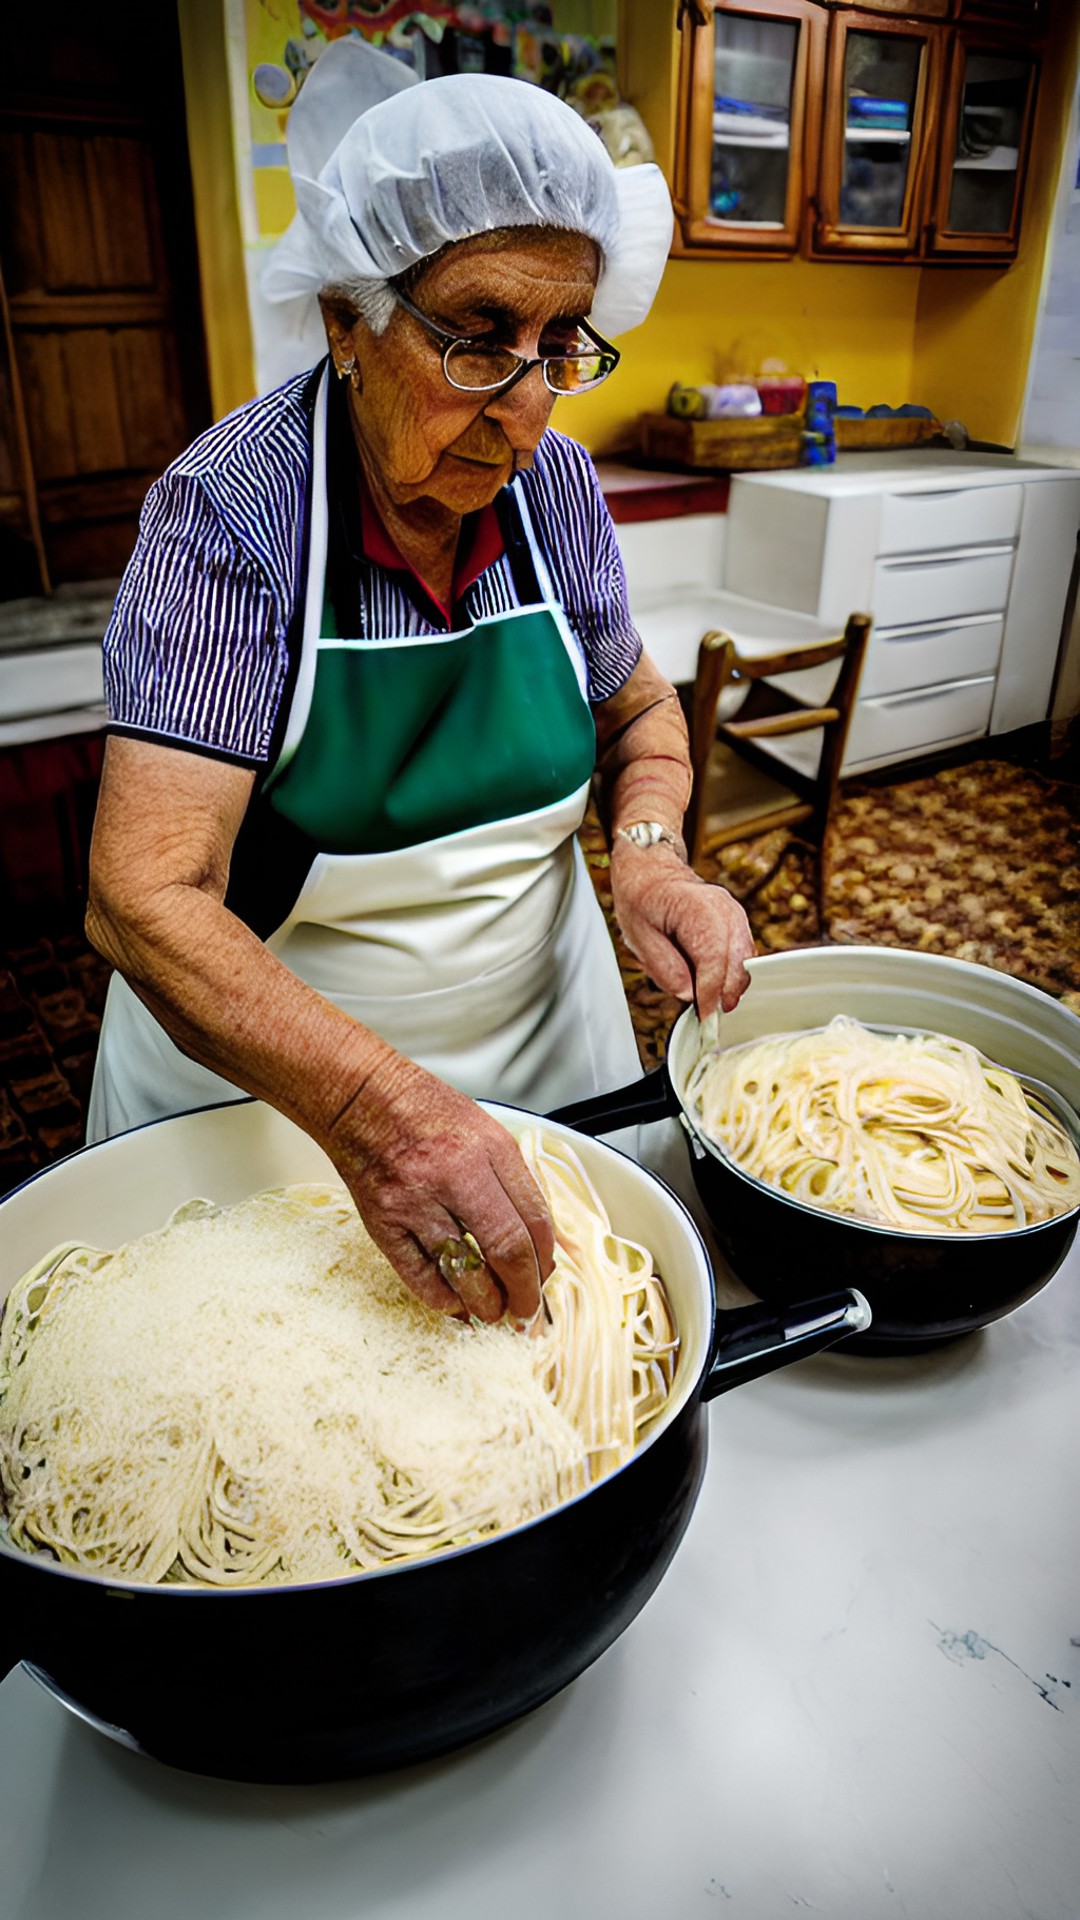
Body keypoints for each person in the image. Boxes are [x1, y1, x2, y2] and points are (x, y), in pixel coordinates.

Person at [85, 39, 754, 1330]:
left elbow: (642, 714)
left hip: (551, 1054)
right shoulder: (232, 516)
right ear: (349, 319)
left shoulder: (551, 491)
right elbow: (141, 899)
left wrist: (655, 856)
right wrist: (373, 1114)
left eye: (561, 346)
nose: (526, 413)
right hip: (284, 1113)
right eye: (479, 340)